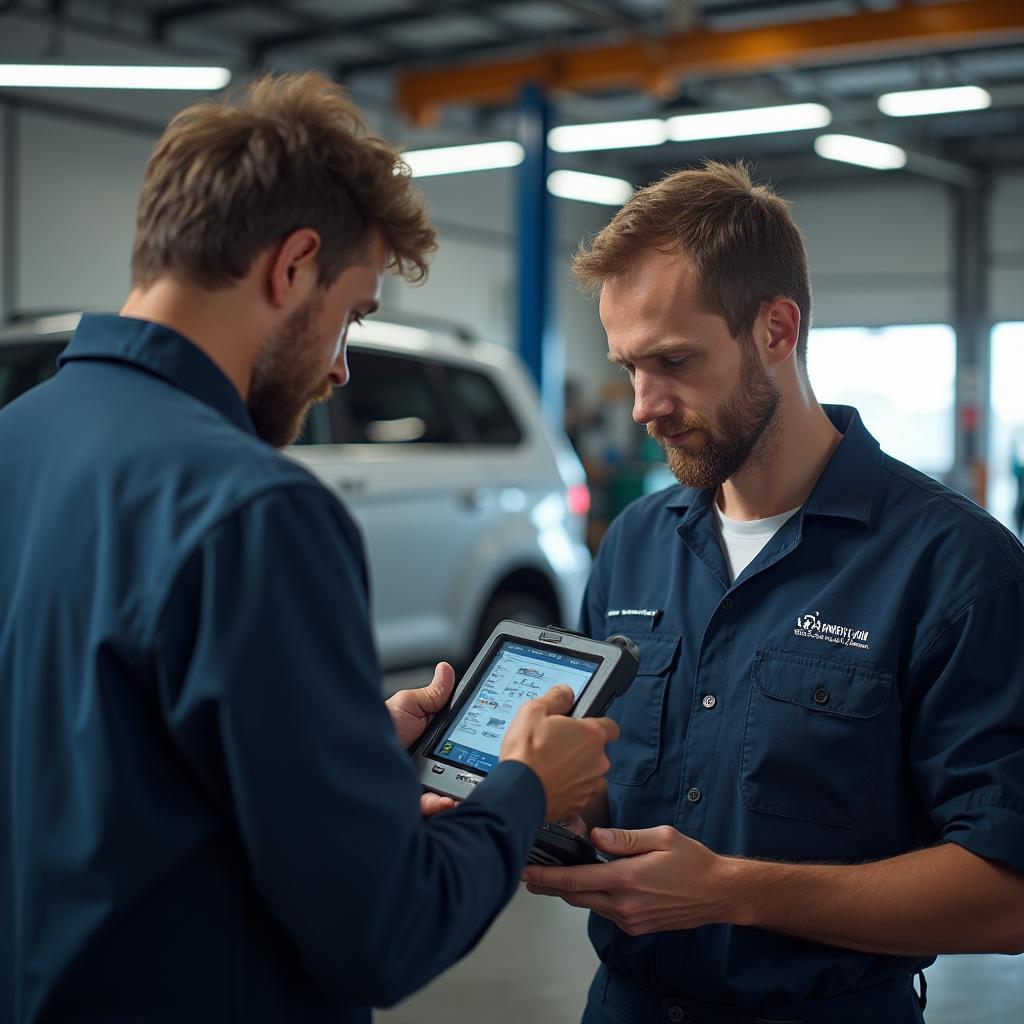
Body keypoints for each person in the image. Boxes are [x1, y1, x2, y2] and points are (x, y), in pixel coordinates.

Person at [0, 72, 619, 1024]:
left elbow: (107, 765)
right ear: (291, 268)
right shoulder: (254, 510)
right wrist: (525, 790)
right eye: (354, 313)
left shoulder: (19, 438)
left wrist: (346, 747)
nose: (338, 366)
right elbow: (387, 927)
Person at [522, 161, 1024, 1024]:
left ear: (777, 330)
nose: (644, 405)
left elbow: (1007, 896)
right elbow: (610, 784)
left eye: (674, 361)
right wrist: (545, 797)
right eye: (628, 366)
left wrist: (729, 892)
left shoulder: (954, 566)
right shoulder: (635, 544)